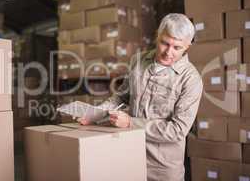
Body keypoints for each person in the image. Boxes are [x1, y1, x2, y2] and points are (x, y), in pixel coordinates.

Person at [80, 13, 203, 181]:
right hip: (130, 154)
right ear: (157, 36)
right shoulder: (138, 60)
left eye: (177, 47)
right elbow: (120, 97)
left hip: (162, 168)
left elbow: (178, 130)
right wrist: (95, 113)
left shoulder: (190, 79)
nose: (168, 52)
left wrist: (131, 123)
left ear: (187, 46)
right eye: (164, 43)